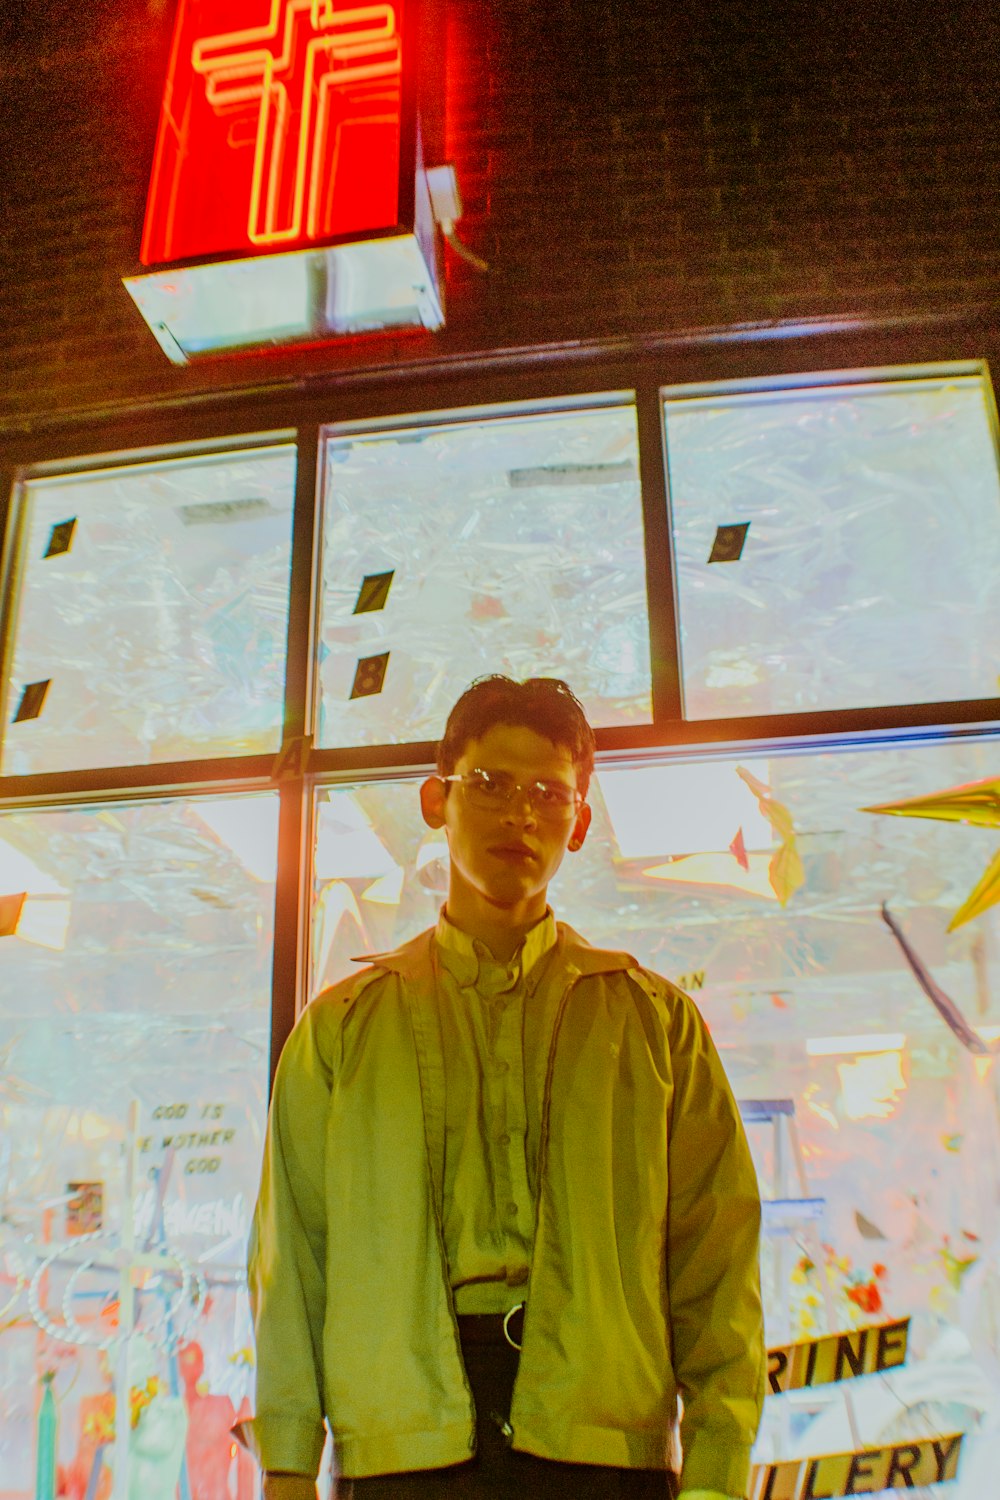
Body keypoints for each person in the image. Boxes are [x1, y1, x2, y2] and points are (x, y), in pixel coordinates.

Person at [243, 676, 765, 1500]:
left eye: (548, 793)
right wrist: (286, 1464)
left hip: (605, 1453)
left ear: (580, 823)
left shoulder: (657, 1026)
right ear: (434, 800)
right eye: (488, 784)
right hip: (400, 1453)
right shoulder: (340, 1031)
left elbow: (717, 1262)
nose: (519, 814)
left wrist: (716, 1470)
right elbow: (294, 1260)